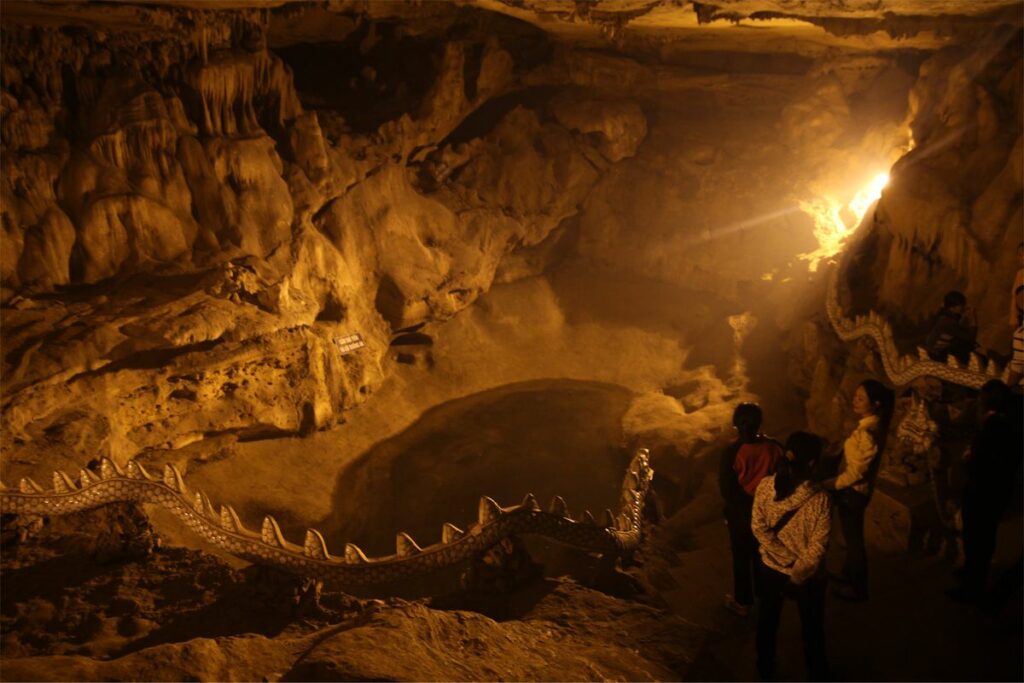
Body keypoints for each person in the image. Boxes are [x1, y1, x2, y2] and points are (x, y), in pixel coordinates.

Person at [752, 431, 831, 681]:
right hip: (806, 577)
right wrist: (796, 574)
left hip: (770, 567)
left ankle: (764, 666)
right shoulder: (820, 500)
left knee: (767, 619)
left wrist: (781, 557)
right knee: (812, 627)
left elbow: (758, 527)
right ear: (812, 463)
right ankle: (816, 672)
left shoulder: (766, 487)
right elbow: (817, 549)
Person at [947, 380, 1024, 602]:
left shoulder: (993, 429)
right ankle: (973, 575)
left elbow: (981, 465)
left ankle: (971, 587)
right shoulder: (1013, 424)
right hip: (1000, 492)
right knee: (985, 537)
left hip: (983, 494)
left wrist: (968, 459)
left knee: (976, 540)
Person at [821, 379, 894, 602]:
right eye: (856, 395)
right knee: (851, 535)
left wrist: (828, 485)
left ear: (876, 403)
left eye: (861, 398)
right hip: (853, 491)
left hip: (853, 493)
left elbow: (856, 473)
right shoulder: (868, 426)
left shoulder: (868, 434)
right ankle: (847, 576)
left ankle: (858, 588)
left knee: (854, 542)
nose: (855, 400)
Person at [719, 403, 784, 616]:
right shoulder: (774, 447)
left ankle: (743, 602)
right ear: (759, 423)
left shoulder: (732, 452)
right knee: (762, 553)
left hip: (741, 514)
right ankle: (765, 595)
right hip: (767, 512)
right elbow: (783, 479)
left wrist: (739, 508)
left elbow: (727, 489)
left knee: (741, 557)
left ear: (735, 425)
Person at [925, 290, 978, 364]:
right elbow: (970, 337)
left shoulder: (945, 314)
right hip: (936, 354)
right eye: (961, 305)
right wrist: (973, 317)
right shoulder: (948, 322)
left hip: (935, 348)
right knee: (969, 348)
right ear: (952, 308)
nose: (964, 307)